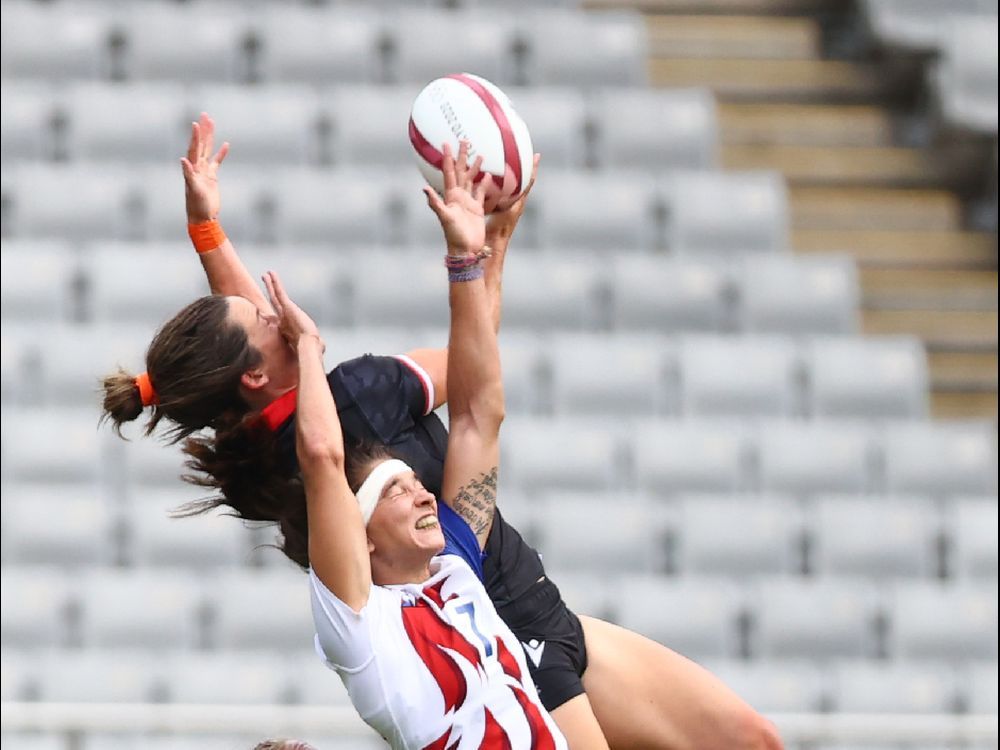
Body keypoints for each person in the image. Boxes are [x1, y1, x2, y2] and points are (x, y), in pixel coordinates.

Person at [101, 115, 782, 750]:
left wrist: (210, 235)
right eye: (264, 318)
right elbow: (469, 378)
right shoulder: (354, 406)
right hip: (495, 637)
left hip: (533, 602)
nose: (276, 309)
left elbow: (248, 356)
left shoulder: (254, 455)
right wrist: (483, 251)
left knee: (750, 739)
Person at [268, 143, 567, 747]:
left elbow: (479, 412)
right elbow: (323, 457)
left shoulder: (457, 566)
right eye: (396, 492)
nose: (422, 492)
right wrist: (307, 347)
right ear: (364, 538)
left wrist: (473, 255)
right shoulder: (359, 627)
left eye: (413, 481)